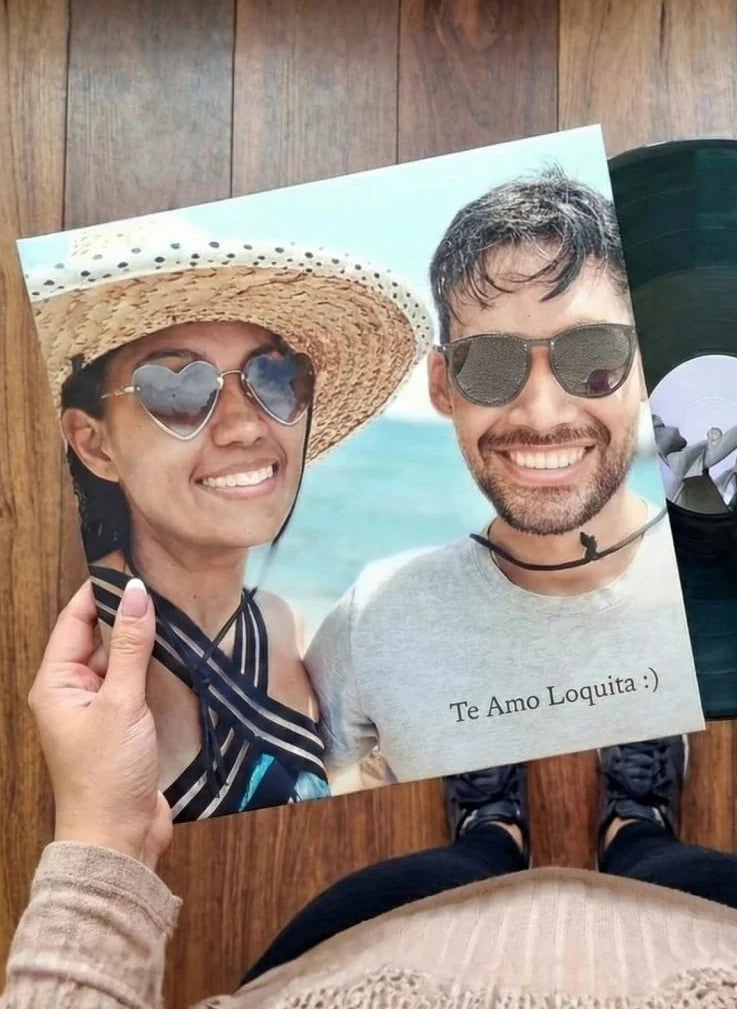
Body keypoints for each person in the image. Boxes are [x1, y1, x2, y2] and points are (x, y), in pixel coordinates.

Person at [4, 446, 737, 1007]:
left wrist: (101, 828)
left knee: (457, 871)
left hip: (373, 962)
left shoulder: (289, 623)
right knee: (671, 869)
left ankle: (492, 835)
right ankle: (637, 827)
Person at [24, 220, 431, 820]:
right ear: (94, 445)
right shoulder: (71, 661)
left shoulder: (278, 623)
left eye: (274, 378)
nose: (244, 426)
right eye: (177, 390)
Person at [305, 170, 701, 785]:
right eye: (489, 365)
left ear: (648, 366)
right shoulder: (378, 619)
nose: (542, 414)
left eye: (593, 356)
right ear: (443, 386)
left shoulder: (728, 587)